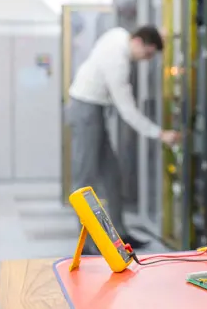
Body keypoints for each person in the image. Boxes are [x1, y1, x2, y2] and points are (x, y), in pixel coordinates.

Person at [66, 25, 180, 254]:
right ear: (138, 42)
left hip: (95, 109)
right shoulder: (117, 63)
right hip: (85, 110)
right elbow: (128, 112)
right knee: (84, 180)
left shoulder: (118, 33)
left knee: (112, 175)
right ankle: (88, 245)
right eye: (147, 54)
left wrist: (159, 33)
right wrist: (159, 133)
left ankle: (120, 234)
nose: (146, 60)